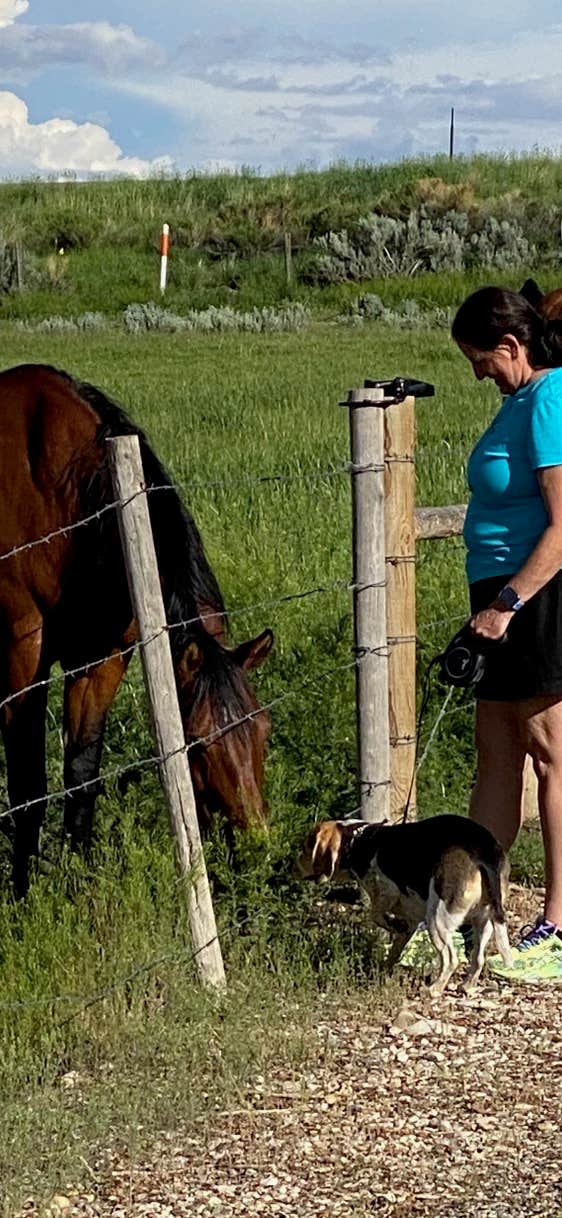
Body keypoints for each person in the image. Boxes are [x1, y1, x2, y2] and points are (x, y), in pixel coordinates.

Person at [452, 285, 562, 977]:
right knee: (495, 749)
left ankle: (556, 925)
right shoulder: (518, 402)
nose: (476, 373)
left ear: (511, 347)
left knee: (552, 752)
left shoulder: (549, 399)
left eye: (479, 359)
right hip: (498, 593)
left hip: (537, 595)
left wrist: (510, 603)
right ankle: (472, 911)